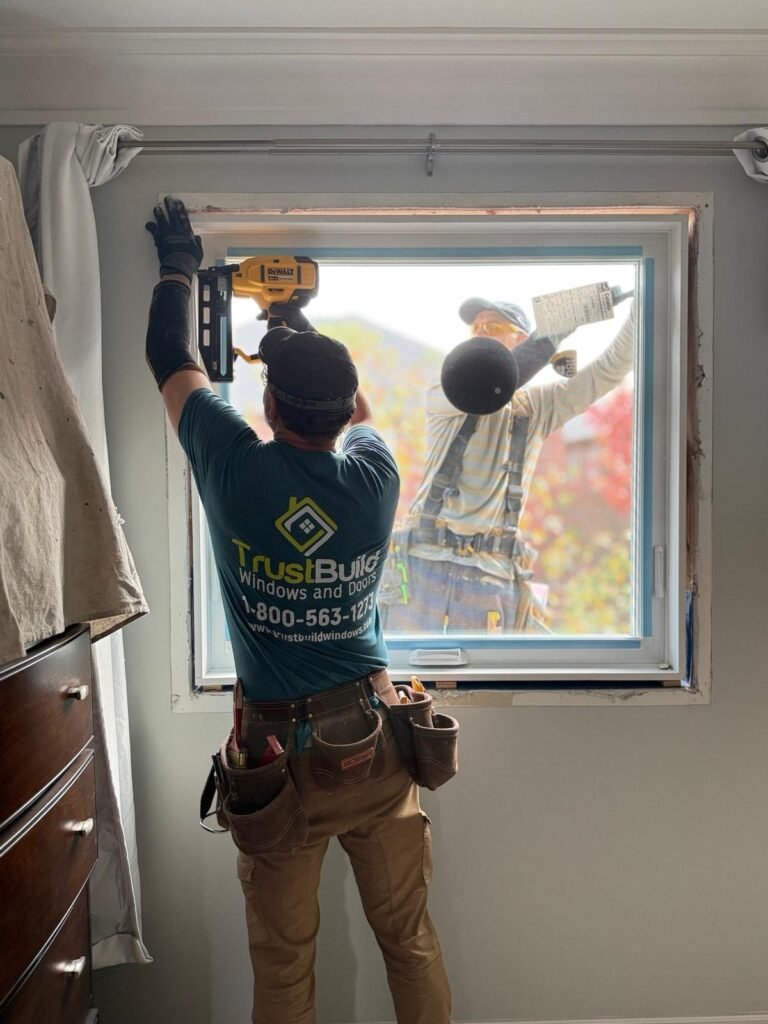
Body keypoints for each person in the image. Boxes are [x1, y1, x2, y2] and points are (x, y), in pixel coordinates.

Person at [145, 197, 452, 1024]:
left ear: (270, 409)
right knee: (410, 939)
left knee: (284, 966)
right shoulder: (375, 477)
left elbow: (170, 357)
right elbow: (358, 420)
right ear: (344, 409)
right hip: (376, 743)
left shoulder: (233, 468)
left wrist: (179, 261)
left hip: (275, 757)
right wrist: (297, 331)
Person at [380, 294, 634, 634]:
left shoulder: (540, 406)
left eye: (494, 326)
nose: (481, 332)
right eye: (476, 327)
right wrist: (552, 334)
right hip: (424, 563)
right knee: (407, 678)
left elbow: (607, 371)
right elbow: (488, 380)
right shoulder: (445, 389)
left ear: (521, 340)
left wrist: (642, 310)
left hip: (490, 576)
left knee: (482, 683)